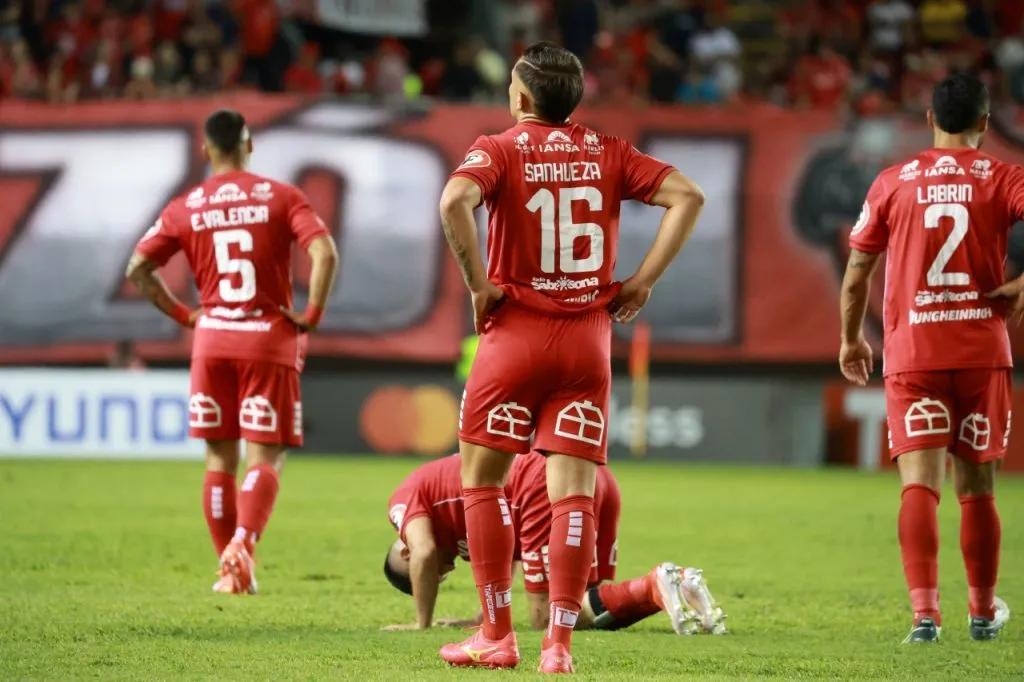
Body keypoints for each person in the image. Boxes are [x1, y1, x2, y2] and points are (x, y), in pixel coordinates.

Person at [438, 41, 705, 672]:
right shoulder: (609, 151)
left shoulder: (500, 148)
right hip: (588, 341)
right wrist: (642, 282)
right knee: (574, 498)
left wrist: (479, 285)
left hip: (516, 337)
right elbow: (688, 196)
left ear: (522, 97)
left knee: (483, 483)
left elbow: (454, 203)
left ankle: (496, 635)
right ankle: (558, 646)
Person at [125, 109, 338, 594]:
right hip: (267, 338)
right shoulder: (280, 196)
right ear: (249, 146)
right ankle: (242, 545)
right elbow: (324, 252)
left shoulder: (187, 206)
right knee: (266, 456)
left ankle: (230, 572)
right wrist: (313, 313)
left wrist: (186, 316)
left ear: (206, 150)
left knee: (219, 459)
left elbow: (138, 268)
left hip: (212, 341)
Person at [838, 74, 1017, 643]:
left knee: (920, 486)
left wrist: (851, 338)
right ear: (985, 122)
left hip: (914, 352)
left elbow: (857, 275)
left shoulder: (893, 182)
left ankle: (924, 616)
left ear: (930, 118)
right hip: (981, 350)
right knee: (977, 488)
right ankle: (982, 613)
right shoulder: (1003, 177)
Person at [382, 452, 726, 635]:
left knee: (548, 617)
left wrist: (421, 624)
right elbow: (503, 552)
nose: (447, 569)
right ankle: (673, 585)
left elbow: (424, 552)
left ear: (405, 552)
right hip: (586, 475)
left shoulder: (404, 504)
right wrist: (483, 617)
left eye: (438, 574)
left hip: (540, 486)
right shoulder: (452, 527)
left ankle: (652, 586)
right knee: (579, 603)